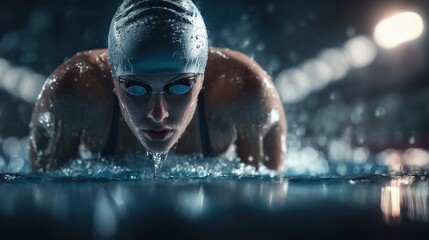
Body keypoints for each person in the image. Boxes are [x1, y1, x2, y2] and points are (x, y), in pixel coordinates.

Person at [29, 0, 287, 171]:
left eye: (179, 87)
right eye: (135, 88)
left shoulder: (247, 95)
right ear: (113, 81)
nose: (157, 113)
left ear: (202, 79)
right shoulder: (71, 96)